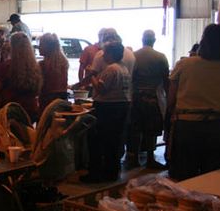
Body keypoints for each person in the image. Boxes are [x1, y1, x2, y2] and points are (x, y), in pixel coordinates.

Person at [168, 24, 220, 180]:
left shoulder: (185, 64)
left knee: (184, 179)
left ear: (204, 41)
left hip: (187, 127)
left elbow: (171, 99)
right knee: (217, 179)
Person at [81, 40, 131, 183]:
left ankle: (96, 173)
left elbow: (101, 89)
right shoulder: (124, 68)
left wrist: (92, 75)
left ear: (111, 54)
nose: (103, 56)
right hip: (121, 107)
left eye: (105, 53)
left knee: (97, 141)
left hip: (107, 108)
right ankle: (111, 172)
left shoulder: (111, 69)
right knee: (114, 142)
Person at [129, 30, 169, 169]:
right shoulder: (160, 57)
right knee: (151, 130)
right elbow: (166, 79)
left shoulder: (134, 56)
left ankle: (134, 158)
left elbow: (130, 78)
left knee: (136, 129)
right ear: (154, 40)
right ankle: (150, 159)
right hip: (153, 97)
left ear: (142, 39)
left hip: (136, 97)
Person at [0, 32, 42, 120]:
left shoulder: (6, 66)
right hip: (30, 109)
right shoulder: (36, 67)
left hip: (10, 111)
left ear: (12, 47)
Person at [38, 33, 69, 112]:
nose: (39, 47)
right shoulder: (63, 63)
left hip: (47, 101)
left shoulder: (42, 65)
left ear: (48, 47)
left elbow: (39, 86)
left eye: (41, 44)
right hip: (62, 100)